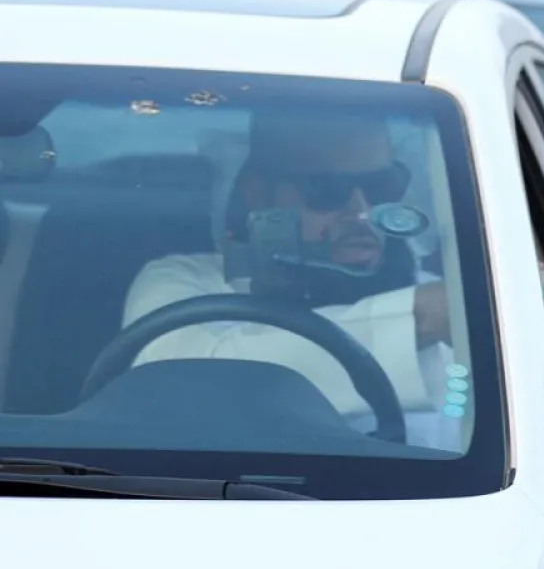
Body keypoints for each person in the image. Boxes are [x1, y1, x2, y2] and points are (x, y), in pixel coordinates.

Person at [122, 111, 458, 449]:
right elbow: (184, 382)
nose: (361, 212)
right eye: (327, 190)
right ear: (256, 192)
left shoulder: (443, 297)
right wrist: (418, 320)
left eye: (382, 186)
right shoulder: (182, 282)